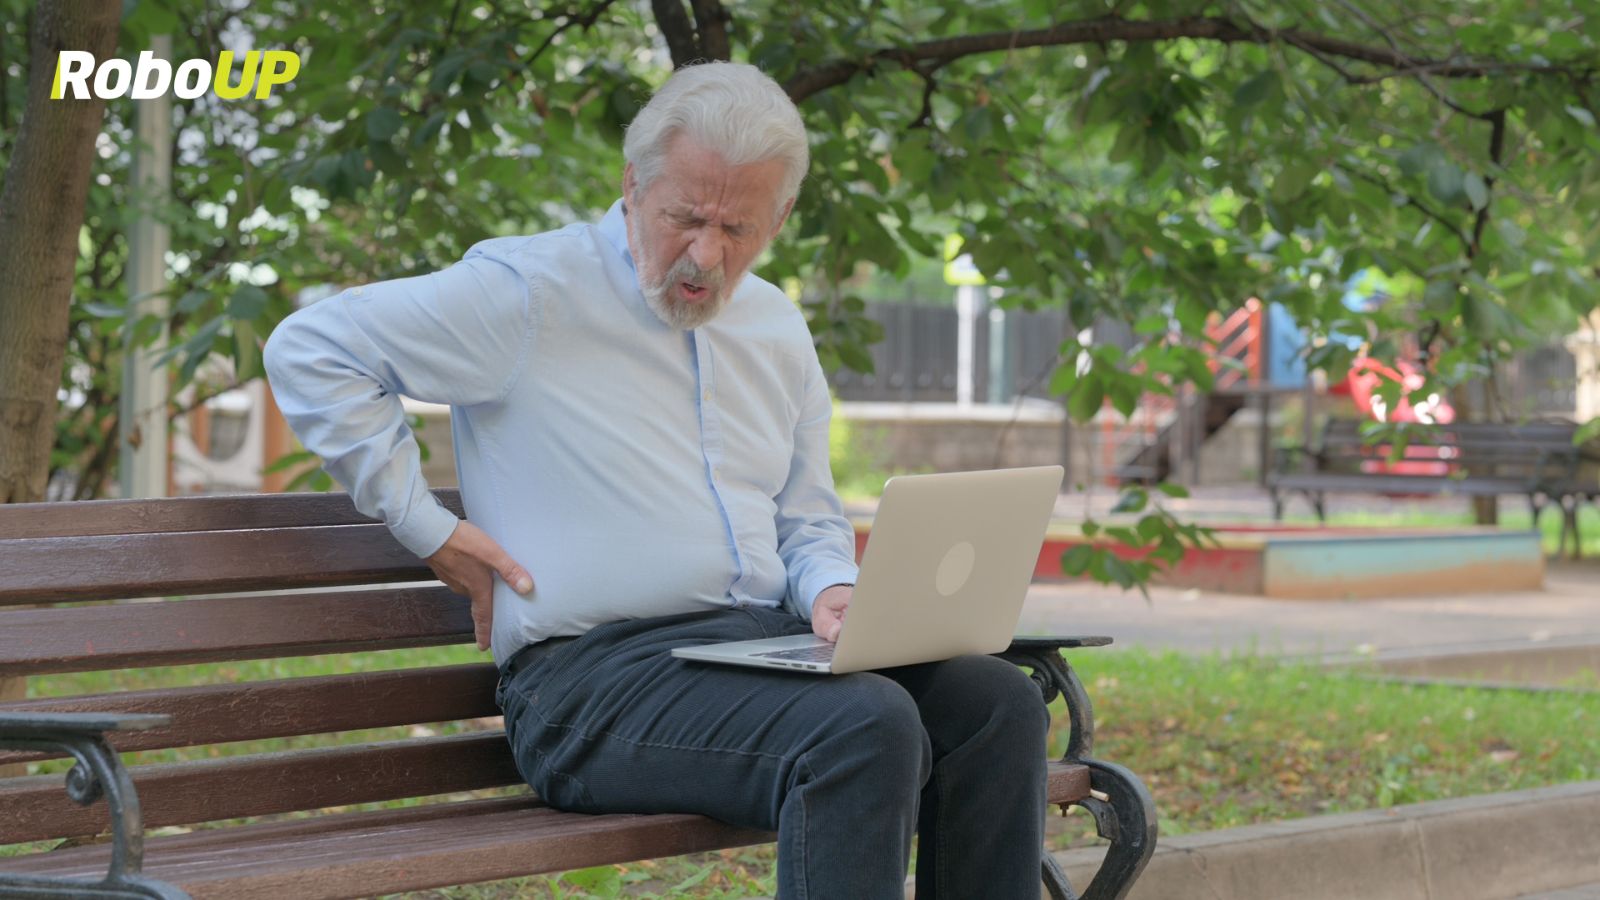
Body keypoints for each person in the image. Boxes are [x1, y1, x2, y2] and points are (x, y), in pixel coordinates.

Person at [263, 60, 1048, 899]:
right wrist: (427, 528)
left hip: (757, 652)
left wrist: (830, 588)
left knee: (998, 705)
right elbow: (310, 350)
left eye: (738, 230)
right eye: (686, 218)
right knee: (864, 725)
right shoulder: (527, 293)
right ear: (632, 185)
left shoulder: (777, 327)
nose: (705, 256)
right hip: (586, 685)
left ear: (780, 218)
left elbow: (805, 517)